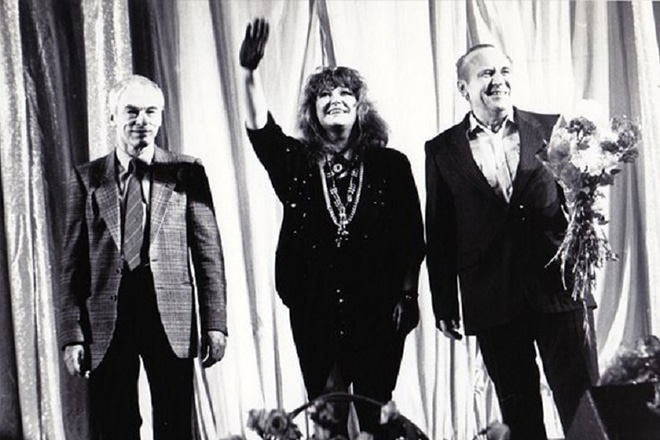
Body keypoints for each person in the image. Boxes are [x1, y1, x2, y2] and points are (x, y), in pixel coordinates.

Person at [239, 18, 425, 437]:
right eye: (324, 94)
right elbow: (262, 132)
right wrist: (250, 74)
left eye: (345, 93)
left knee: (376, 410)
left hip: (378, 309)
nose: (335, 100)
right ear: (313, 111)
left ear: (360, 107)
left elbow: (411, 238)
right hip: (315, 311)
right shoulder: (297, 163)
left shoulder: (391, 165)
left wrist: (408, 294)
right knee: (327, 415)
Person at [425, 44, 597, 440]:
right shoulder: (441, 149)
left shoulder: (552, 127)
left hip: (559, 290)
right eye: (485, 73)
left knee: (583, 407)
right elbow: (440, 231)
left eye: (504, 71)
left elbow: (580, 201)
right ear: (463, 88)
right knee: (519, 416)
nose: (498, 80)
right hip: (491, 298)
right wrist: (444, 303)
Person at [58, 75, 227, 440]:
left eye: (151, 112)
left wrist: (215, 323)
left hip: (170, 313)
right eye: (131, 111)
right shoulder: (87, 178)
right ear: (112, 117)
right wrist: (72, 335)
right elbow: (72, 266)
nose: (142, 121)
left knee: (175, 424)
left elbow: (209, 255)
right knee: (115, 425)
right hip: (107, 317)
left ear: (161, 117)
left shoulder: (187, 172)